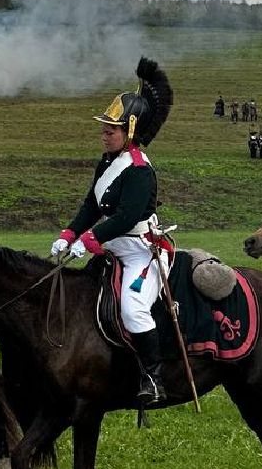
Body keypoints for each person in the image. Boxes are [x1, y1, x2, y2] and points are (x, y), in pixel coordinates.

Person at [51, 57, 174, 408]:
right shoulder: (107, 162)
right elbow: (92, 204)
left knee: (134, 309)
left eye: (111, 131)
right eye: (104, 130)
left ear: (129, 132)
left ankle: (153, 378)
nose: (104, 135)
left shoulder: (139, 169)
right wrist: (70, 233)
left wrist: (90, 239)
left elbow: (127, 216)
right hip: (112, 246)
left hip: (140, 250)